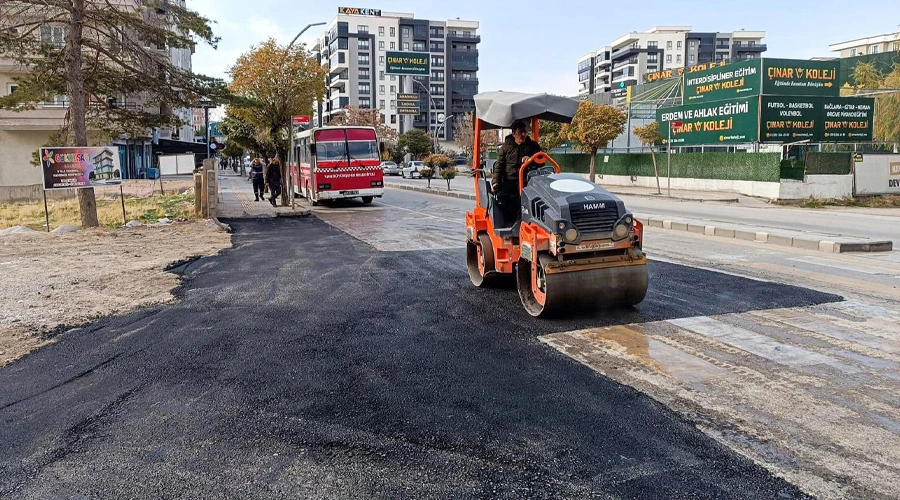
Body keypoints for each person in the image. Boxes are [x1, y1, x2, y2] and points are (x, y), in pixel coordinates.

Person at [491, 120, 543, 225]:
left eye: (525, 132)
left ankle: (523, 223)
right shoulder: (505, 147)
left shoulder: (533, 146)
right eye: (520, 132)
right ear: (514, 133)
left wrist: (531, 159)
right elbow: (499, 166)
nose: (523, 134)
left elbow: (541, 161)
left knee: (529, 199)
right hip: (510, 181)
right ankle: (510, 222)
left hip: (527, 181)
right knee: (503, 197)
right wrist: (495, 182)